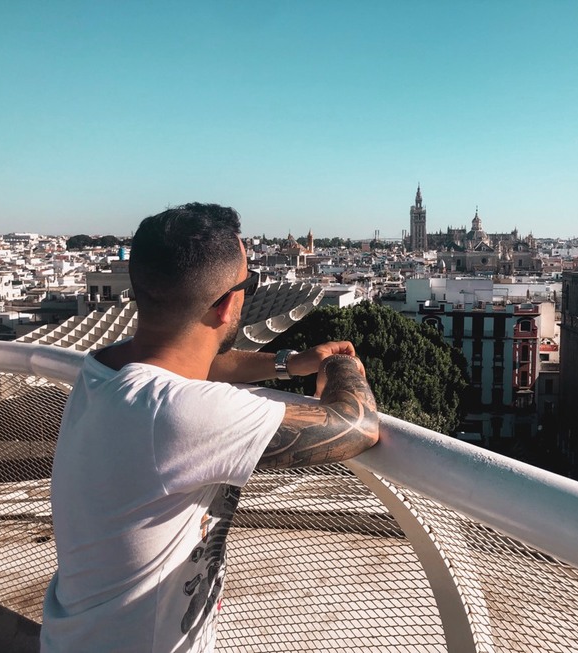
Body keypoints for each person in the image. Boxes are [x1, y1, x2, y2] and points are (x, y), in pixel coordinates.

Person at [40, 203, 379, 652]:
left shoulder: (107, 367)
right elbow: (355, 425)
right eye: (251, 283)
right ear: (227, 305)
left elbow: (204, 364)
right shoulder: (176, 415)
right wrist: (340, 363)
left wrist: (289, 363)